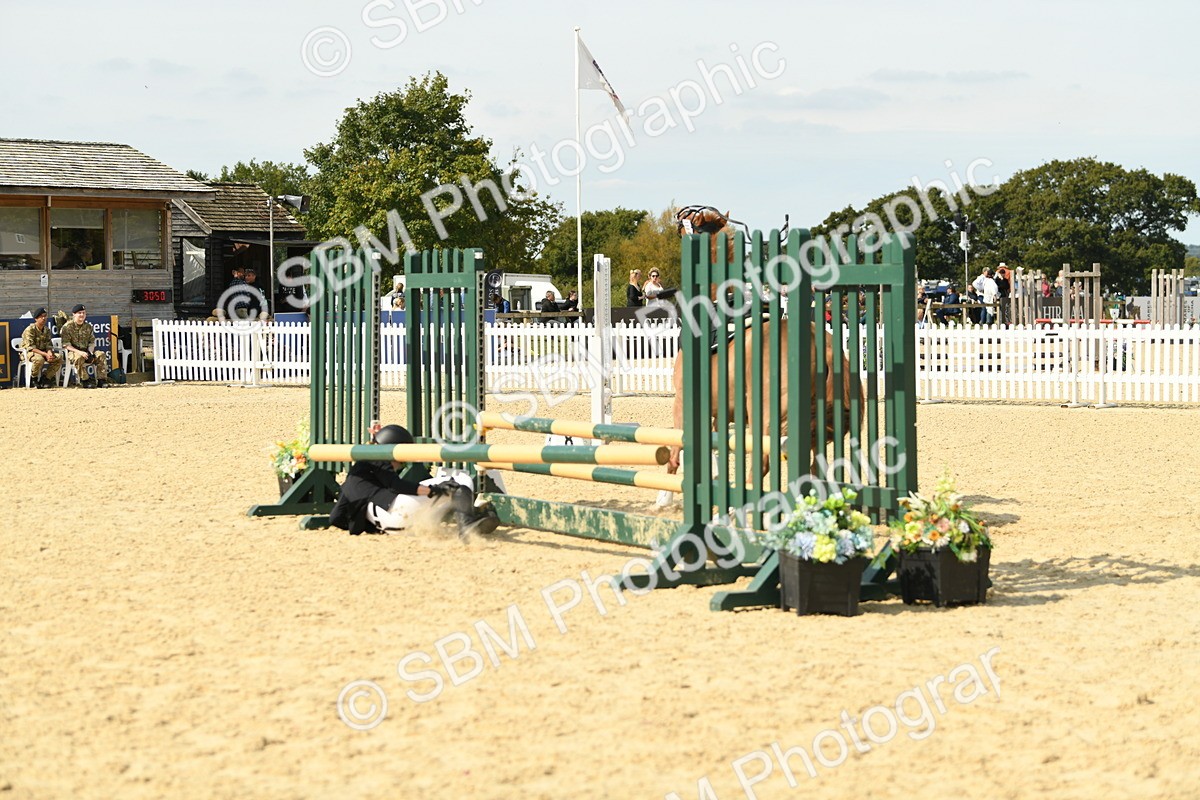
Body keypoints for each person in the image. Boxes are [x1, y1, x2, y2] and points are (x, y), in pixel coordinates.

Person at [329, 424, 500, 538]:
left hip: (388, 527)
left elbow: (335, 517)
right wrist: (432, 489)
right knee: (458, 484)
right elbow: (396, 485)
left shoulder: (354, 475)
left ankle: (470, 515)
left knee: (440, 498)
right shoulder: (378, 457)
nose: (400, 464)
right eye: (400, 460)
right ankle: (467, 527)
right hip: (397, 509)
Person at [60, 304, 109, 388]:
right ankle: (85, 380)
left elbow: (91, 342)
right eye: (79, 313)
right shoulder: (67, 327)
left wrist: (90, 351)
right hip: (73, 351)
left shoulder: (88, 327)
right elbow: (66, 345)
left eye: (83, 313)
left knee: (101, 355)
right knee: (79, 358)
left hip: (86, 350)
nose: (82, 315)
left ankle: (101, 380)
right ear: (74, 314)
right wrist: (80, 352)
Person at [20, 307, 62, 388]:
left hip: (43, 352)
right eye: (41, 316)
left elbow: (48, 344)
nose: (44, 318)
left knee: (58, 358)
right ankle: (34, 379)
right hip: (30, 353)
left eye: (45, 316)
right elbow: (31, 347)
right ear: (36, 319)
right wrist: (45, 354)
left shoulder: (47, 330)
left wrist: (49, 353)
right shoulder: (30, 330)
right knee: (39, 359)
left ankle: (46, 378)